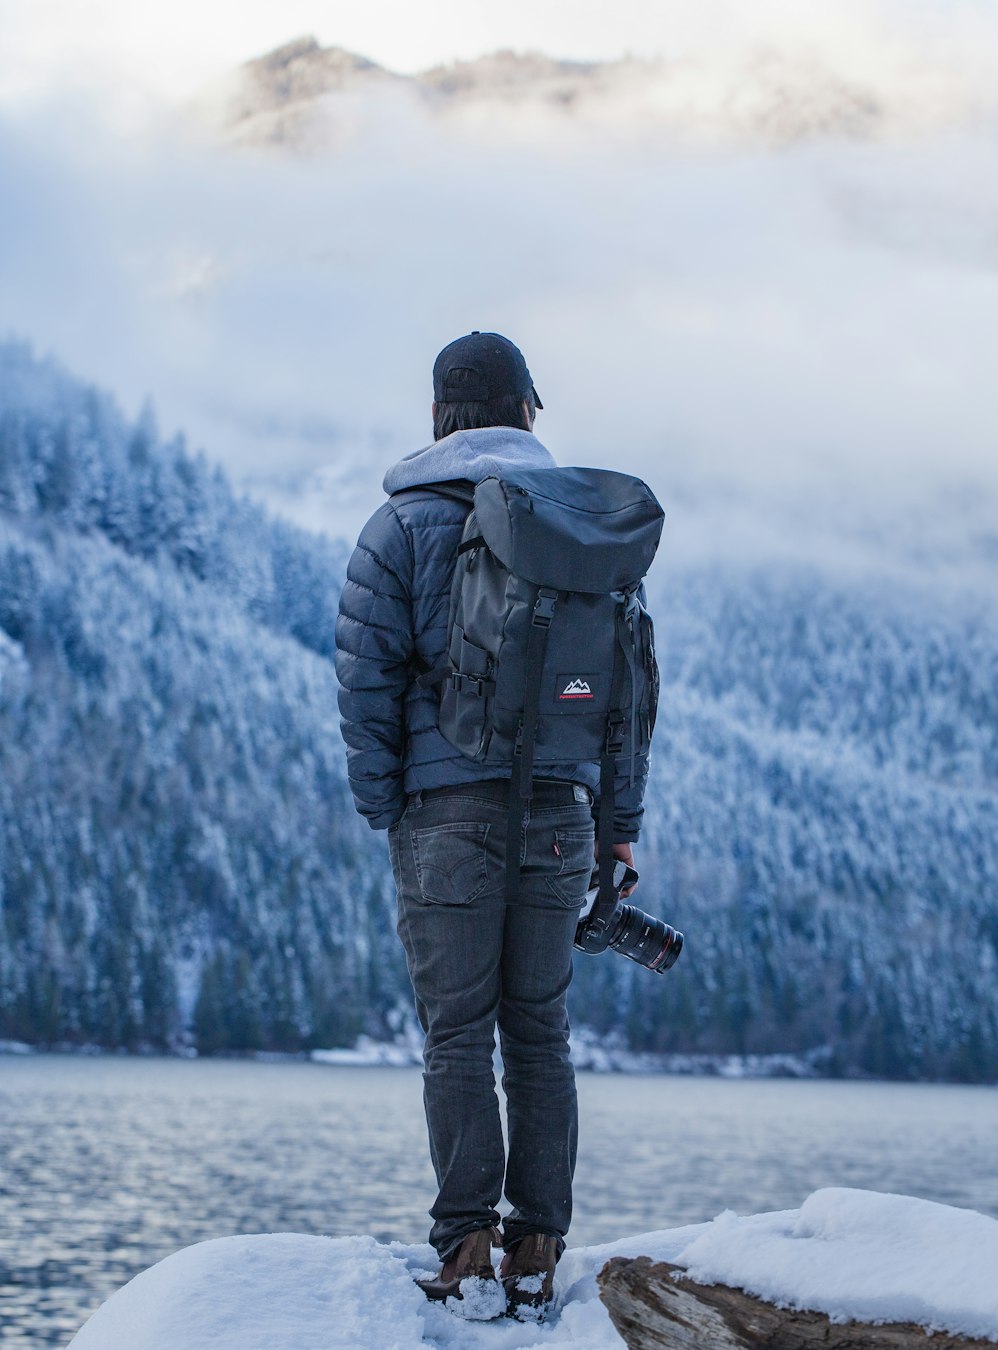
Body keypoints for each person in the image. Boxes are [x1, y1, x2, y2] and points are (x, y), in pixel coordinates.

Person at [335, 331, 648, 1319]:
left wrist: (389, 805)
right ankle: (539, 1244)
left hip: (444, 821)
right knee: (541, 1036)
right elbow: (631, 691)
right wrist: (619, 826)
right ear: (526, 412)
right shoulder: (581, 532)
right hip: (561, 817)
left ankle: (465, 1242)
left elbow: (364, 680)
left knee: (458, 1036)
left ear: (439, 416)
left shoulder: (400, 526)